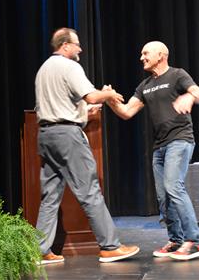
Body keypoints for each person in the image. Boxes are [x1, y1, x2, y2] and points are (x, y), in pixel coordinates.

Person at [34, 27, 140, 265]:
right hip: (67, 136)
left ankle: (40, 250)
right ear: (65, 45)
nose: (80, 48)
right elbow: (91, 96)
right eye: (77, 44)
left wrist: (84, 111)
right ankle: (110, 246)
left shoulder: (43, 69)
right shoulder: (70, 66)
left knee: (50, 195)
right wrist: (108, 94)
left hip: (46, 135)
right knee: (89, 189)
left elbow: (59, 103)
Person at [105, 41, 199, 261]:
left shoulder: (178, 75)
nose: (141, 57)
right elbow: (126, 112)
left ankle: (193, 242)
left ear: (162, 55)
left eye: (145, 53)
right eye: (141, 53)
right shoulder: (145, 85)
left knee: (173, 187)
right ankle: (176, 240)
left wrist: (189, 96)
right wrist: (110, 99)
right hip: (159, 147)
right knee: (163, 198)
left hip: (180, 140)